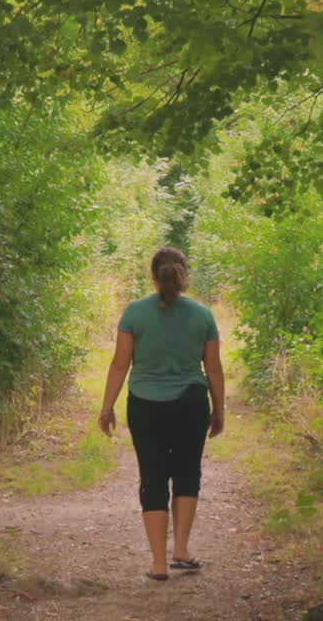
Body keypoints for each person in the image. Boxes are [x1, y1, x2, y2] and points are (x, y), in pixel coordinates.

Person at [98, 247, 226, 581]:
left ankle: (158, 563)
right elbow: (213, 369)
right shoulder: (203, 316)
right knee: (187, 474)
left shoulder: (134, 313)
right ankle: (181, 550)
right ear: (184, 274)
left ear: (154, 276)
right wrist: (219, 411)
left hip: (145, 405)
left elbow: (120, 364)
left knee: (152, 478)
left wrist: (107, 407)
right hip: (191, 405)